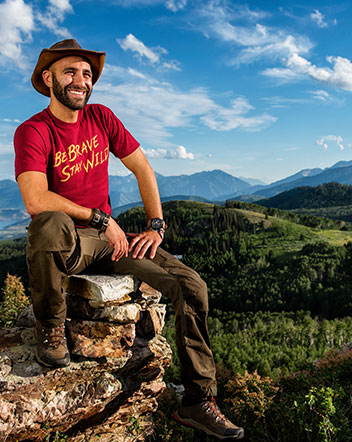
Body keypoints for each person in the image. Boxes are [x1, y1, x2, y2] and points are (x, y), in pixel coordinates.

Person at [13, 39, 244, 440]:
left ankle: (197, 400)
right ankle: (50, 324)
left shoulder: (102, 118)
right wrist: (102, 218)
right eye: (70, 72)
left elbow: (143, 168)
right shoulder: (34, 131)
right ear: (48, 78)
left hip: (111, 243)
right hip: (73, 240)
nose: (81, 81)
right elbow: (35, 199)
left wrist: (156, 226)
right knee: (47, 222)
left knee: (191, 286)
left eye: (87, 74)